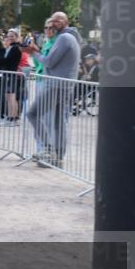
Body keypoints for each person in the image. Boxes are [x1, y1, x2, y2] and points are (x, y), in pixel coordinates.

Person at [24, 12, 82, 167]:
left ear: (65, 22)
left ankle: (49, 149)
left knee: (33, 113)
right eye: (50, 23)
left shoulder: (64, 38)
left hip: (56, 85)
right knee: (58, 122)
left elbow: (48, 62)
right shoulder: (69, 37)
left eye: (57, 21)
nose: (53, 25)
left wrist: (33, 53)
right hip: (63, 85)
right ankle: (57, 157)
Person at [0, 29, 23, 126]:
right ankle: (10, 117)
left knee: (12, 97)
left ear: (16, 37)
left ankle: (13, 118)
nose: (10, 38)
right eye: (8, 36)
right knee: (9, 97)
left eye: (12, 36)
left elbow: (6, 60)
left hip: (11, 74)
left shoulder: (15, 48)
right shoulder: (10, 48)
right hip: (7, 73)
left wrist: (2, 53)